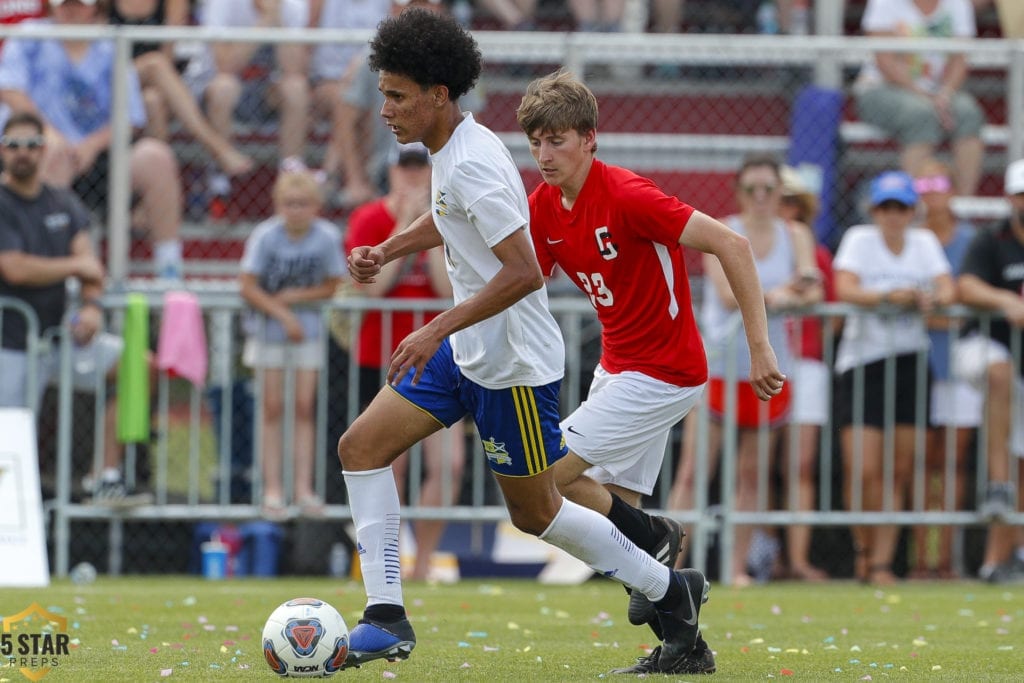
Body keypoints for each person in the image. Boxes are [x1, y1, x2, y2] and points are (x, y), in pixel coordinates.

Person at [338, 8, 719, 674]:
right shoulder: (454, 150)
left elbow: (520, 271)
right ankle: (386, 616)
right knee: (361, 446)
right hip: (469, 350)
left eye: (396, 95)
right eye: (382, 93)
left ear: (438, 94)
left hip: (510, 364)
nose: (385, 109)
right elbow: (453, 216)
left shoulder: (474, 163)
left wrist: (434, 327)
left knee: (537, 511)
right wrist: (392, 247)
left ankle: (667, 586)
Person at [514, 70, 786, 674]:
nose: (544, 154)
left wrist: (759, 346)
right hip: (618, 369)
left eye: (556, 139)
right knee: (616, 530)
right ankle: (684, 647)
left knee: (546, 478)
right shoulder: (543, 206)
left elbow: (733, 246)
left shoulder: (630, 194)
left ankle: (658, 540)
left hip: (665, 372)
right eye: (535, 141)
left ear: (590, 138)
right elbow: (517, 281)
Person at [669, 154, 820, 587]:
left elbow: (813, 284)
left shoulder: (795, 234)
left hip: (769, 367)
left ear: (780, 193)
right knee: (694, 473)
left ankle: (736, 569)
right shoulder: (722, 229)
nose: (760, 197)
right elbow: (727, 292)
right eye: (751, 188)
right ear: (739, 192)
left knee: (751, 475)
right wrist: (785, 293)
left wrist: (792, 292)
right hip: (719, 367)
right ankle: (665, 570)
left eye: (768, 189)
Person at [344, 141, 466, 581]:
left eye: (421, 168)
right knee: (388, 465)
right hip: (384, 356)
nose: (413, 176)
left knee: (449, 466)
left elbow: (444, 289)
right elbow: (373, 290)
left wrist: (428, 229)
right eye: (405, 168)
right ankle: (388, 566)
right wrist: (401, 227)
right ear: (391, 172)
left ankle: (425, 562)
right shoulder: (369, 219)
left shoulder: (449, 217)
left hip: (440, 357)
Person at [0, 111, 136, 503]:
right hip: (9, 346)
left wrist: (92, 307)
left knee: (133, 365)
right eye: (13, 146)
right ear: (2, 151)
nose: (22, 153)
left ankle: (104, 476)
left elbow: (92, 269)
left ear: (43, 150)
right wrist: (76, 266)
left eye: (30, 145)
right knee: (11, 441)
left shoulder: (63, 202)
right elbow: (14, 268)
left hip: (56, 339)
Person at [0, 0, 185, 280]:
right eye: (64, 4)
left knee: (155, 156)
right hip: (46, 152)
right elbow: (11, 91)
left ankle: (169, 272)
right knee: (52, 154)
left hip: (102, 157)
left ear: (95, 7)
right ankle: (53, 268)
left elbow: (130, 116)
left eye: (79, 4)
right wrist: (49, 134)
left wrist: (91, 145)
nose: (71, 9)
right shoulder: (30, 35)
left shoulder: (112, 43)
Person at [833, 170, 955, 585]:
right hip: (863, 362)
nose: (893, 215)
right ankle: (864, 553)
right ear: (874, 210)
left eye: (901, 207)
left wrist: (927, 298)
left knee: (899, 469)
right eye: (886, 207)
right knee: (863, 469)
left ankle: (882, 562)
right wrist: (891, 297)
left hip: (908, 361)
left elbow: (947, 290)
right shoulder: (858, 240)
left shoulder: (924, 243)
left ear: (911, 211)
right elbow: (844, 288)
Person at [239, 164, 344, 519]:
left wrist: (294, 299)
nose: (295, 210)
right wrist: (281, 313)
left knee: (303, 408)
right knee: (271, 407)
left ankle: (302, 487)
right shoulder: (266, 236)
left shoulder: (326, 237)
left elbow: (332, 284)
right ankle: (272, 488)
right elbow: (248, 284)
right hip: (269, 333)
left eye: (302, 203)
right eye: (289, 203)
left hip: (309, 332)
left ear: (316, 206)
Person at [955, 157, 1024, 583]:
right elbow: (966, 285)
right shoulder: (990, 237)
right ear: (1010, 198)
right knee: (998, 371)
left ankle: (1002, 559)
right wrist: (1006, 302)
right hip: (984, 345)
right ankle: (997, 486)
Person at [911, 157, 980, 579]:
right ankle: (920, 560)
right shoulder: (913, 239)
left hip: (958, 365)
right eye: (923, 183)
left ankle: (946, 561)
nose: (930, 190)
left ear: (953, 189)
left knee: (952, 464)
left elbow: (962, 311)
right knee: (921, 464)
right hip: (919, 363)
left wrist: (932, 311)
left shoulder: (970, 239)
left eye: (938, 181)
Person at [183, 0, 311, 207]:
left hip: (265, 92)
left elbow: (295, 69)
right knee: (225, 87)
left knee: (296, 88)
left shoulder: (293, 5)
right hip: (215, 89)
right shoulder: (221, 4)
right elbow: (226, 65)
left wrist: (277, 18)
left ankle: (291, 176)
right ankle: (219, 178)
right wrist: (264, 20)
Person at [852, 0, 985, 196]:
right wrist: (925, 95)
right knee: (921, 115)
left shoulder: (958, 4)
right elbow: (885, 60)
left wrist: (945, 93)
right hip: (881, 88)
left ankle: (962, 208)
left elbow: (960, 60)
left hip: (938, 92)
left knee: (969, 113)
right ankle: (913, 206)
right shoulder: (885, 3)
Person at [108, 0, 254, 177]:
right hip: (115, 79)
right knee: (155, 63)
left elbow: (169, 52)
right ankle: (217, 147)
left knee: (152, 99)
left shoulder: (173, 3)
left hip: (160, 84)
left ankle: (163, 182)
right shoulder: (105, 4)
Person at [776, 164, 833, 582]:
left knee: (800, 466)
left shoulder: (817, 253)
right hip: (762, 362)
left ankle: (796, 560)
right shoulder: (749, 242)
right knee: (755, 467)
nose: (785, 209)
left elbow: (825, 309)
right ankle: (761, 558)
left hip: (806, 362)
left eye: (792, 202)